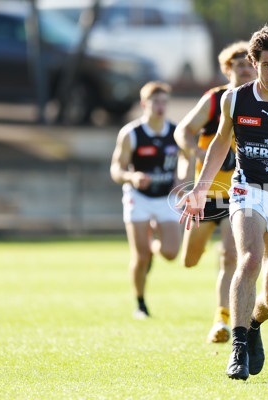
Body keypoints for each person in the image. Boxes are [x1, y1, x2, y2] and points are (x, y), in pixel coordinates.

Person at [177, 25, 268, 380]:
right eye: (267, 65)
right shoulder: (234, 99)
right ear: (253, 62)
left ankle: (253, 325)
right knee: (249, 257)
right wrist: (200, 189)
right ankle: (237, 346)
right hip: (246, 191)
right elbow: (220, 144)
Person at [174, 41, 256, 343]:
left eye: (249, 63)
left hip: (240, 196)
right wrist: (195, 150)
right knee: (189, 259)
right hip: (206, 196)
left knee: (230, 257)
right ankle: (191, 244)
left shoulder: (262, 100)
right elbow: (182, 130)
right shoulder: (215, 100)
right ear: (227, 69)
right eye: (239, 64)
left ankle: (222, 320)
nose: (246, 68)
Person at [110, 81, 189, 320]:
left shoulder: (176, 132)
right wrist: (131, 177)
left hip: (166, 197)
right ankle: (141, 304)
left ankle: (155, 243)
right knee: (141, 256)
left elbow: (186, 159)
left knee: (171, 253)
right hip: (139, 198)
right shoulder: (131, 134)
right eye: (156, 102)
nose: (160, 107)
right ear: (145, 104)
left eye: (164, 102)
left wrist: (181, 179)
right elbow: (116, 169)